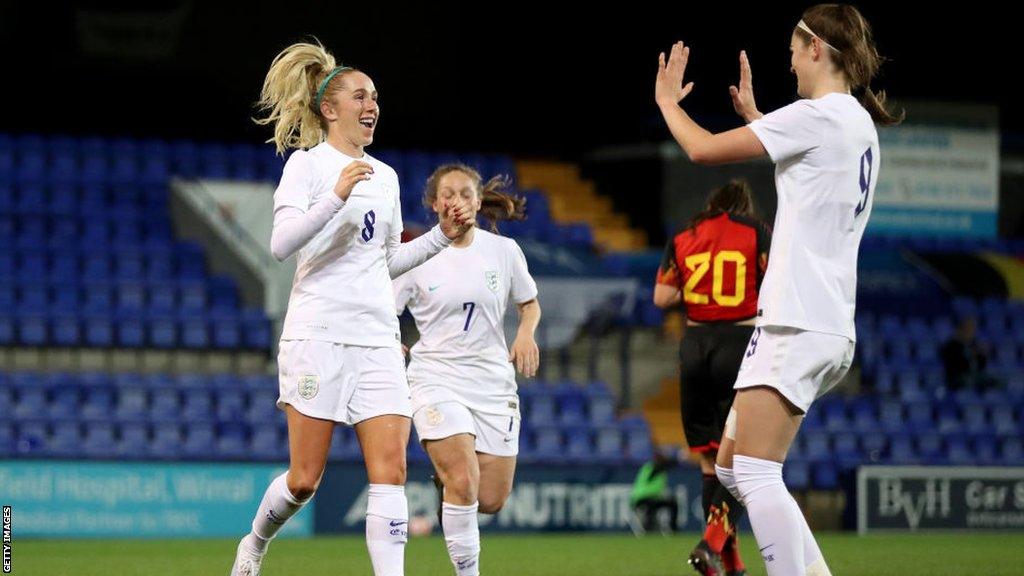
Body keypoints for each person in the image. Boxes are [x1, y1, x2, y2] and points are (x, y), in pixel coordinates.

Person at [654, 4, 902, 575]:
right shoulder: (857, 122)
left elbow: (701, 150)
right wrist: (761, 119)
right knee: (733, 468)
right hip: (823, 319)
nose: (789, 64)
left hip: (797, 317)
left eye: (793, 51)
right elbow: (811, 166)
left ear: (816, 49)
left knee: (757, 472)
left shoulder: (816, 117)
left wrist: (669, 103)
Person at [230, 41, 473, 576]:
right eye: (361, 96)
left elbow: (386, 260)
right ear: (329, 109)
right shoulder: (307, 166)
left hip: (378, 340)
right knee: (304, 480)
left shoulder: (384, 177)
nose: (373, 106)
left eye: (376, 97)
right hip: (317, 335)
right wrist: (335, 197)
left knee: (391, 471)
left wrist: (441, 235)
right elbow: (281, 244)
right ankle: (254, 543)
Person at [394, 163, 541, 576]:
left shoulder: (504, 251)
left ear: (478, 201)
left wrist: (526, 333)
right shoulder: (417, 255)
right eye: (448, 194)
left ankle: (447, 484)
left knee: (490, 499)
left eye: (464, 193)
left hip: (492, 382)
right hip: (435, 377)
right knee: (463, 478)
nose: (456, 200)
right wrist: (392, 340)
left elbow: (529, 304)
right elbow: (385, 312)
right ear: (434, 203)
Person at [654, 179, 770, 575]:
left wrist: (698, 286)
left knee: (709, 461)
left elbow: (662, 298)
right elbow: (776, 282)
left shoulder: (685, 236)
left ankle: (732, 565)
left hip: (695, 346)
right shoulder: (754, 232)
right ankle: (712, 543)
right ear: (744, 205)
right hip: (740, 344)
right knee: (739, 458)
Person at [629, 451, 680, 533]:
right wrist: (680, 457)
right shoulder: (653, 468)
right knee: (652, 505)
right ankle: (649, 527)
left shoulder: (655, 469)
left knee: (672, 503)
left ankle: (673, 529)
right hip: (641, 498)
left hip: (649, 498)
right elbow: (667, 465)